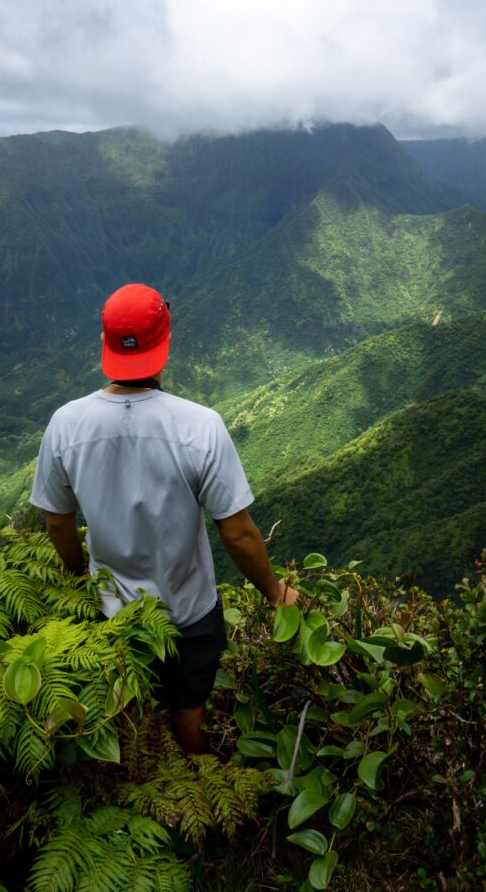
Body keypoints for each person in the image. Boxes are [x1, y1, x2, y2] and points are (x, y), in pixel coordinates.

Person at [30, 282, 298, 753]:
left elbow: (57, 523)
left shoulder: (65, 424)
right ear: (165, 346)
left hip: (112, 614)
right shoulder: (200, 427)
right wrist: (276, 593)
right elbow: (237, 535)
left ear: (103, 345)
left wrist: (80, 579)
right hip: (190, 612)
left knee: (128, 719)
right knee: (189, 709)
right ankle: (193, 784)